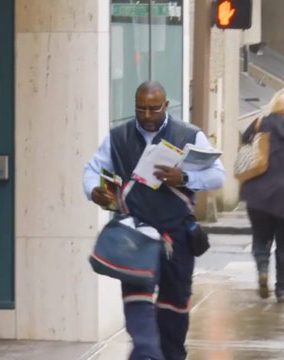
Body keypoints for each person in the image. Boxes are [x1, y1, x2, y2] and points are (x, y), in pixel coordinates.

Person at [83, 81, 225, 360]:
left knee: (175, 306)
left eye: (153, 109)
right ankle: (147, 354)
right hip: (134, 236)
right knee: (137, 300)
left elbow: (218, 175)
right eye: (141, 109)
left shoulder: (190, 135)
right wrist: (94, 191)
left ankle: (170, 354)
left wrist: (184, 178)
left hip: (177, 236)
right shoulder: (118, 137)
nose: (147, 115)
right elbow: (92, 170)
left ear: (166, 105)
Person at [240, 90, 284, 301]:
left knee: (260, 238)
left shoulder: (260, 123)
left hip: (258, 194)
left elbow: (244, 139)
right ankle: (282, 289)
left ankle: (263, 270)